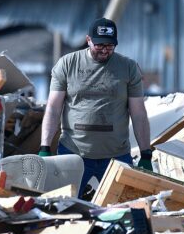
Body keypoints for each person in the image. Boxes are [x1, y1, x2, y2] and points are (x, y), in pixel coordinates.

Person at [39, 18, 152, 198]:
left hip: (116, 156)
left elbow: (138, 113)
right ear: (88, 40)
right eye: (99, 45)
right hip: (74, 154)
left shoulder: (128, 67)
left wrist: (146, 153)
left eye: (110, 46)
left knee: (123, 207)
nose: (105, 50)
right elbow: (53, 108)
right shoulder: (67, 64)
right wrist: (45, 146)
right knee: (65, 206)